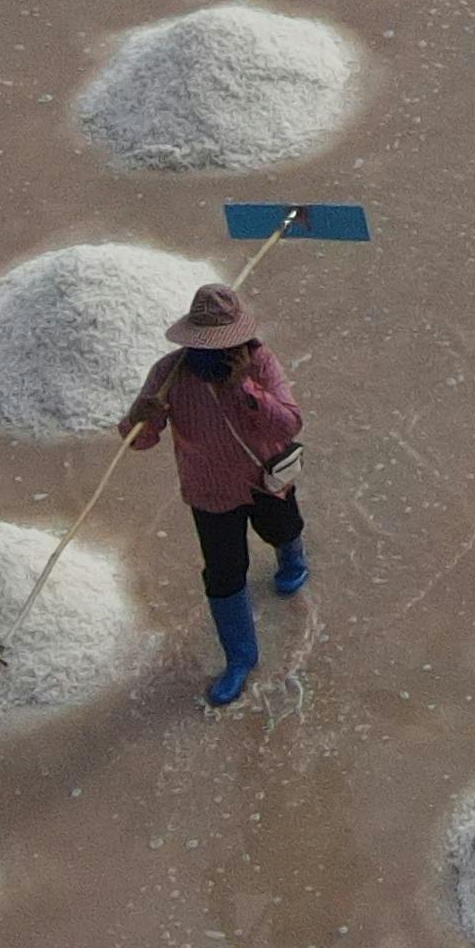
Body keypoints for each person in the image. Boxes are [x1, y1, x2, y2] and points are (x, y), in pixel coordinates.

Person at [124, 287, 309, 707]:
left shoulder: (260, 363)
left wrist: (246, 388)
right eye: (207, 347)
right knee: (224, 577)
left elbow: (289, 424)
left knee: (282, 529)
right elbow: (136, 442)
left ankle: (292, 558)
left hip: (264, 479)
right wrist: (141, 419)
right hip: (209, 493)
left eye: (225, 346)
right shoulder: (169, 374)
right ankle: (241, 658)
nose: (215, 355)